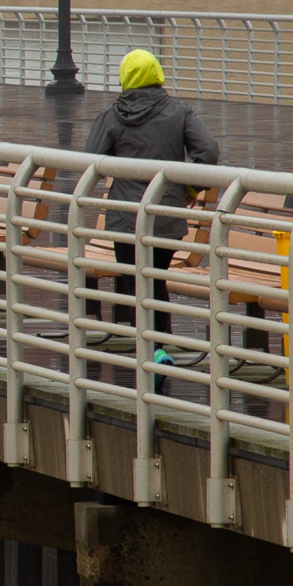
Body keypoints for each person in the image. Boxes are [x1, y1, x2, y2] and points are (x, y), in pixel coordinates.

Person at [78, 48, 222, 356]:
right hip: (165, 215)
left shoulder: (113, 115)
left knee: (135, 283)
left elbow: (90, 158)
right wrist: (190, 187)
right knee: (156, 278)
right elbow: (208, 151)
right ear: (157, 75)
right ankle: (159, 346)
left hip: (126, 217)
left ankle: (152, 348)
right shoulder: (179, 112)